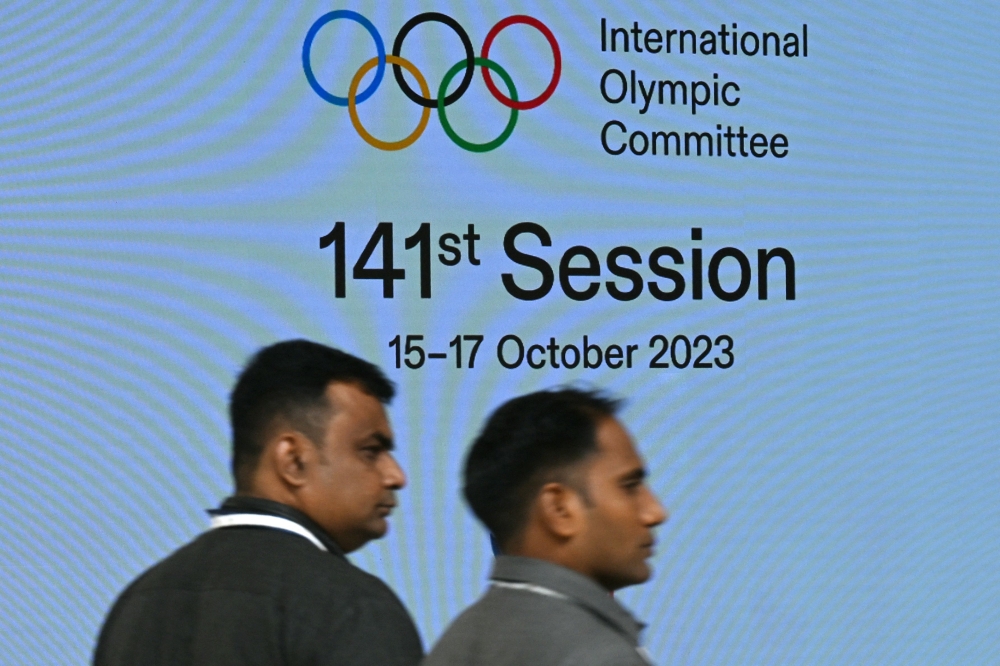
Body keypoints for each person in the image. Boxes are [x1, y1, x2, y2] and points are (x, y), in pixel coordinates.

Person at [94, 339, 423, 666]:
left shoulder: (135, 606)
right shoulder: (351, 605)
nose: (396, 476)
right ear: (293, 460)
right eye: (370, 451)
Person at [423, 388, 668, 666]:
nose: (655, 512)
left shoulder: (458, 641)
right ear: (559, 509)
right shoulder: (601, 656)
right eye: (630, 486)